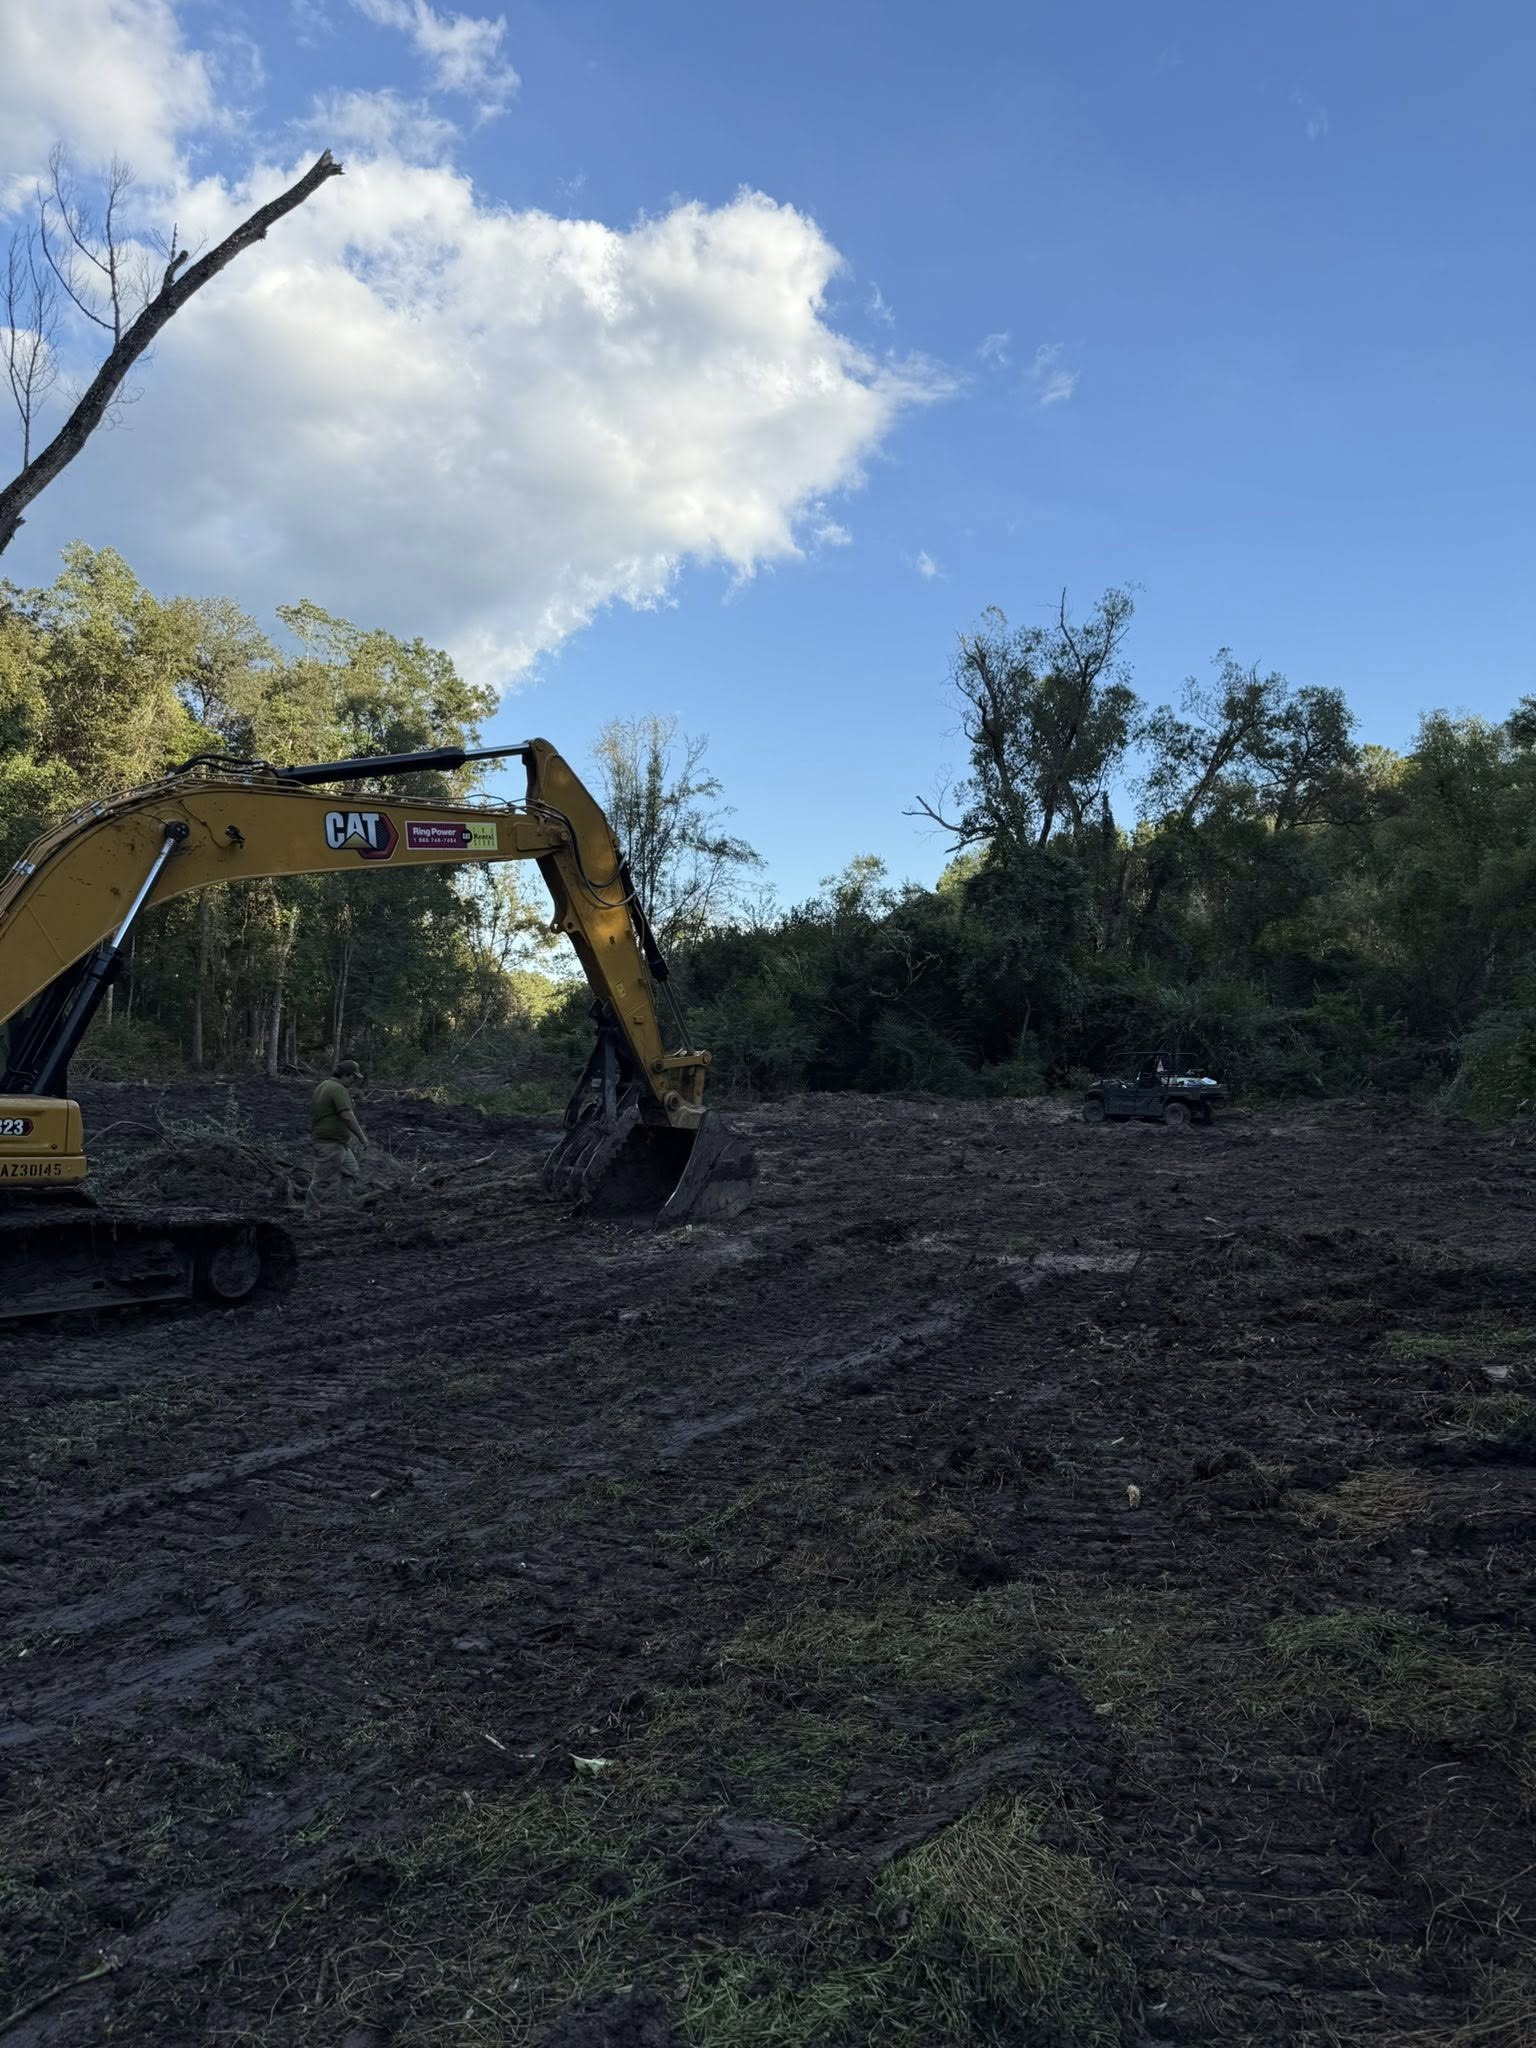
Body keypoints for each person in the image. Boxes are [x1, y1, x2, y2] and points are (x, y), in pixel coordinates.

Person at [309, 1057, 368, 1198]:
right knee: (321, 1181)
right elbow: (347, 1115)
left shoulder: (324, 1085)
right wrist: (362, 1138)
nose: (354, 1081)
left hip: (336, 1143)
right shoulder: (338, 1089)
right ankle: (311, 1215)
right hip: (330, 1144)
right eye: (354, 1077)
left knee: (352, 1172)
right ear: (347, 1075)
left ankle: (344, 1205)